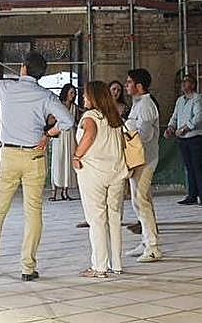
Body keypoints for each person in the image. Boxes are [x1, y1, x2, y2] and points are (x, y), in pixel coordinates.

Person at [0, 52, 73, 281]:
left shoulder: (5, 88)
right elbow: (67, 122)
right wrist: (48, 134)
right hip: (35, 157)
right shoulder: (46, 96)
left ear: (23, 68)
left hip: (8, 156)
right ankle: (27, 269)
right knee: (33, 213)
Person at [72, 81, 129, 278]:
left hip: (94, 173)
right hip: (116, 171)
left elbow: (89, 134)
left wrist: (76, 156)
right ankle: (117, 264)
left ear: (93, 97)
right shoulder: (114, 116)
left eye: (86, 95)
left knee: (96, 219)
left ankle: (99, 266)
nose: (84, 98)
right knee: (114, 217)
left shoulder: (90, 116)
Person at [124, 68, 162, 262]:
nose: (126, 85)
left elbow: (145, 135)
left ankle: (153, 247)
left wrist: (127, 131)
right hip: (136, 159)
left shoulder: (146, 105)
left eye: (129, 82)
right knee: (139, 199)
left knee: (141, 199)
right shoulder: (137, 104)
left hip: (146, 160)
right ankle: (146, 240)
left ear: (139, 86)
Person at [166, 74, 202, 207]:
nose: (183, 84)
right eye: (183, 82)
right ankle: (192, 195)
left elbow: (199, 117)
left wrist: (185, 128)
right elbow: (175, 116)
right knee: (189, 168)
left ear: (193, 84)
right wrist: (170, 127)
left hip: (197, 137)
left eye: (187, 82)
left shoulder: (198, 99)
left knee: (198, 167)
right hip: (184, 139)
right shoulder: (180, 100)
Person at [49, 83, 78, 201]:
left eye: (74, 93)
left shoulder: (74, 107)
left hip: (70, 136)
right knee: (57, 162)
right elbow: (51, 119)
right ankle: (54, 191)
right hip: (59, 135)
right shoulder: (58, 105)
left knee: (67, 162)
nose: (73, 95)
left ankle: (65, 191)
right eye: (71, 92)